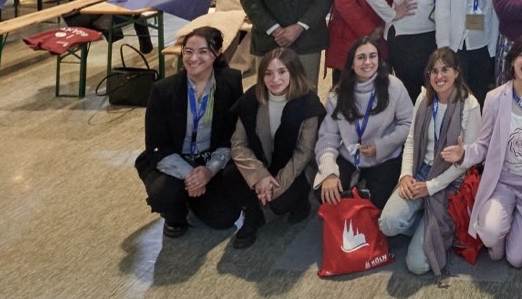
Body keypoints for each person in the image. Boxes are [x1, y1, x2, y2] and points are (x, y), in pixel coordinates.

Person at [444, 36, 522, 267]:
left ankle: (517, 231)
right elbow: (483, 145)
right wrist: (463, 155)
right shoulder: (495, 98)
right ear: (512, 61)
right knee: (490, 233)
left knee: (517, 259)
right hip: (504, 182)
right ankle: (500, 237)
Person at [378, 48, 482, 279]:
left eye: (445, 69)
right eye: (434, 71)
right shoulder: (423, 99)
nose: (439, 76)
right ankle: (426, 217)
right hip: (421, 172)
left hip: (451, 182)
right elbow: (412, 142)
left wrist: (431, 187)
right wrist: (405, 176)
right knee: (387, 223)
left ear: (456, 72)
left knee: (417, 264)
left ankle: (438, 221)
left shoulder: (469, 104)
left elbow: (467, 161)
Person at [135, 27, 243, 238]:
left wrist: (209, 171)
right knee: (164, 195)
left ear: (217, 52)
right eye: (188, 51)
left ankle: (195, 197)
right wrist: (190, 175)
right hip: (173, 160)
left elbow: (230, 135)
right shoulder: (163, 90)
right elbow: (157, 144)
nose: (194, 58)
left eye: (203, 51)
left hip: (209, 160)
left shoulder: (230, 82)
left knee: (224, 218)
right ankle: (175, 213)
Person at [228, 49, 324, 248]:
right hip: (261, 164)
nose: (275, 79)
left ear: (293, 72)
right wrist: (259, 177)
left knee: (280, 204)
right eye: (268, 73)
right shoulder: (251, 99)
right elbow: (239, 144)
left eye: (282, 71)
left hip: (293, 168)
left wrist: (276, 186)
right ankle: (252, 216)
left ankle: (299, 202)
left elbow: (304, 152)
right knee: (230, 175)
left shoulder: (308, 102)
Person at [315, 36, 413, 208]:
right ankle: (354, 188)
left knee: (377, 202)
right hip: (349, 156)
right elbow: (327, 137)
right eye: (361, 57)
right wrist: (329, 172)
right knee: (324, 192)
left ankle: (358, 192)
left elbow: (408, 124)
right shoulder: (337, 95)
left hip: (384, 155)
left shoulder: (394, 86)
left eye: (372, 56)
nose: (367, 62)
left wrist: (381, 145)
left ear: (379, 60)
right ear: (351, 63)